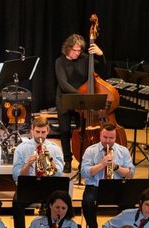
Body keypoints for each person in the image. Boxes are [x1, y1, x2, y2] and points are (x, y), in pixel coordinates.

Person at [54, 33, 107, 173]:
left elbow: (102, 68)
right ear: (67, 48)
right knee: (65, 131)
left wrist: (101, 54)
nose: (77, 53)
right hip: (65, 99)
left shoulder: (85, 59)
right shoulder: (59, 62)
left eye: (79, 50)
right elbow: (64, 85)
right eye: (74, 50)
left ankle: (83, 160)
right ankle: (67, 160)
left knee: (82, 132)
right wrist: (83, 95)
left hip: (82, 102)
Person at [10, 116, 65, 228]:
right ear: (32, 131)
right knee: (16, 202)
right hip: (29, 186)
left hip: (49, 186)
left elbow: (59, 173)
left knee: (58, 202)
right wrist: (28, 165)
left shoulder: (55, 148)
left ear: (48, 131)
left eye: (43, 132)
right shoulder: (21, 148)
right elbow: (16, 176)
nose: (40, 135)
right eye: (37, 132)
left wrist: (49, 160)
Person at [80, 123, 134, 228]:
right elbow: (84, 172)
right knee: (87, 202)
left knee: (129, 202)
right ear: (100, 135)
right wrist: (102, 164)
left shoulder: (123, 151)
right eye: (105, 137)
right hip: (96, 186)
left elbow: (130, 173)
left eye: (111, 138)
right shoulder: (90, 150)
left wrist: (116, 167)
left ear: (115, 137)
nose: (108, 141)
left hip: (116, 185)